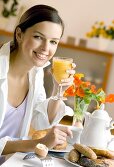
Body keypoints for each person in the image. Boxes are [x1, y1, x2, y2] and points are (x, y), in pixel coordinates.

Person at [0, 4, 75, 156]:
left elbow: (39, 121)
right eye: (38, 37)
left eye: (53, 42)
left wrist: (57, 88)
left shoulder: (35, 72)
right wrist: (37, 144)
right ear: (19, 34)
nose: (46, 49)